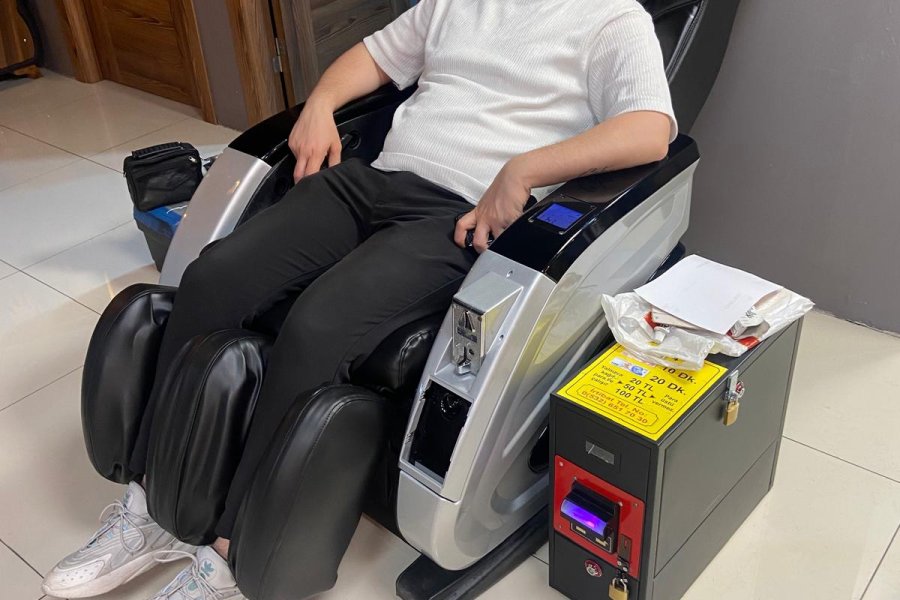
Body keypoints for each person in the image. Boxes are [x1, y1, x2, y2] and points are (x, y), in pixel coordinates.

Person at [43, 0, 676, 598]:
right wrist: (319, 104)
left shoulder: (611, 20)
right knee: (214, 278)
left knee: (319, 328)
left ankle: (235, 550)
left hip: (458, 215)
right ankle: (152, 504)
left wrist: (525, 170)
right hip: (369, 183)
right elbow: (374, 56)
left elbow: (650, 130)